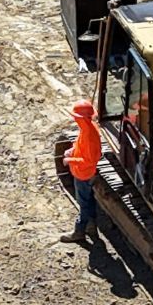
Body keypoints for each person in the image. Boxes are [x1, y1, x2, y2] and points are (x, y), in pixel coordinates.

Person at [60, 99, 102, 243]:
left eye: (76, 117)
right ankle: (91, 227)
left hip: (84, 174)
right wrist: (72, 150)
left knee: (83, 203)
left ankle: (79, 231)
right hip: (83, 173)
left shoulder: (90, 135)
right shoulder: (87, 128)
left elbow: (89, 160)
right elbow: (81, 147)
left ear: (82, 118)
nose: (74, 119)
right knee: (88, 200)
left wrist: (69, 160)